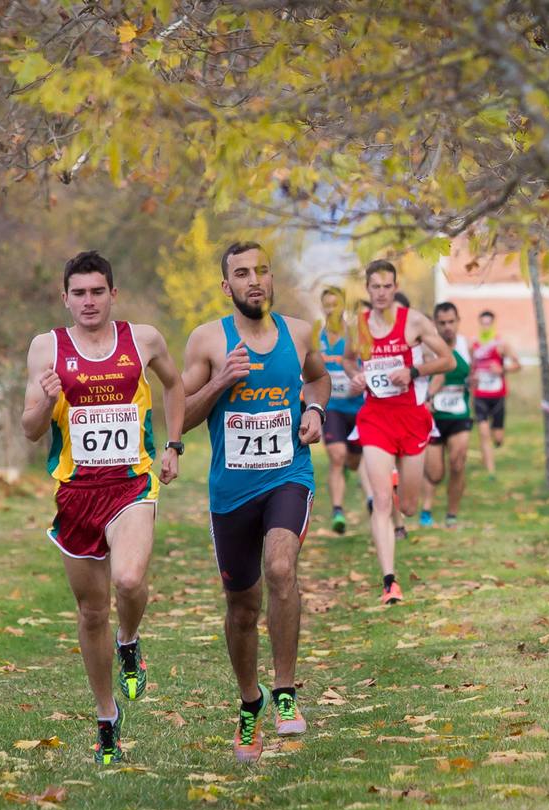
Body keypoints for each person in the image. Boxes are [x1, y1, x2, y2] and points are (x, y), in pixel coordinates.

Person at [19, 250, 184, 765]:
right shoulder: (47, 348)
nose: (88, 302)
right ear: (64, 297)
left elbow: (176, 384)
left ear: (113, 294)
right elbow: (29, 429)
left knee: (129, 581)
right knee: (91, 612)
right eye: (78, 293)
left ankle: (130, 639)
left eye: (97, 292)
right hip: (76, 494)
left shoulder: (144, 339)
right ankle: (106, 713)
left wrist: (172, 444)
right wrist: (46, 401)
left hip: (132, 484)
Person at [177, 241, 329, 762]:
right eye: (241, 273)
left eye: (261, 270)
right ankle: (250, 704)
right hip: (231, 491)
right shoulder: (207, 340)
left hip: (289, 474)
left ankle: (285, 695)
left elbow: (319, 377)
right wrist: (221, 381)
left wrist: (315, 410)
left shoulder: (299, 332)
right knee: (242, 610)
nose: (254, 280)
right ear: (227, 286)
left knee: (281, 568)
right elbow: (182, 415)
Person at [340, 261, 455, 604]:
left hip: (411, 418)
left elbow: (448, 360)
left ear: (395, 286)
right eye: (374, 286)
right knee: (382, 503)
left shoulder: (414, 321)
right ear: (367, 288)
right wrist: (356, 376)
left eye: (387, 286)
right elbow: (348, 359)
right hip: (375, 418)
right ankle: (390, 582)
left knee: (406, 506)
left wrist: (414, 370)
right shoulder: (358, 325)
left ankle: (393, 485)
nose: (381, 293)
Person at [418, 302, 476, 528]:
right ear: (435, 324)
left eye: (451, 321)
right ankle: (427, 505)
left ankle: (451, 514)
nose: (447, 327)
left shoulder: (466, 346)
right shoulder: (428, 347)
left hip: (459, 415)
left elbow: (472, 375)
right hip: (433, 417)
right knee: (435, 473)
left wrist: (473, 383)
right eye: (442, 323)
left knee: (458, 462)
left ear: (458, 321)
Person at [315, 287, 365, 535]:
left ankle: (351, 468)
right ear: (322, 307)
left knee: (354, 461)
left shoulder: (356, 336)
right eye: (327, 305)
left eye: (336, 304)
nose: (331, 309)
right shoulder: (316, 337)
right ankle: (337, 511)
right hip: (331, 406)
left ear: (343, 307)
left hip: (358, 407)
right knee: (337, 456)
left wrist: (361, 381)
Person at [468, 309, 520, 477]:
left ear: (493, 324)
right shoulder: (473, 345)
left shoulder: (501, 344)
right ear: (479, 324)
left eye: (488, 323)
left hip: (497, 395)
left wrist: (501, 369)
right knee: (483, 433)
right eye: (482, 323)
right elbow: (469, 368)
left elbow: (517, 365)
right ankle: (491, 472)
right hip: (480, 395)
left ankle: (495, 442)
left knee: (497, 437)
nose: (485, 326)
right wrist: (471, 378)